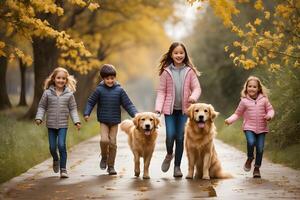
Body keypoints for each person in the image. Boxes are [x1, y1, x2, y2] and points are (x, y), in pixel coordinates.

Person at [155, 42, 201, 177]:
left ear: (185, 54)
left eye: (181, 53)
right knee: (170, 136)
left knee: (180, 138)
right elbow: (161, 92)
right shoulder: (166, 72)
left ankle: (177, 167)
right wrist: (158, 109)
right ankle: (169, 154)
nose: (179, 55)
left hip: (184, 110)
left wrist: (193, 97)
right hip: (169, 111)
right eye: (176, 53)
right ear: (171, 54)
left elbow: (197, 88)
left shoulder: (189, 71)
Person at [84, 64, 138, 175]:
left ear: (115, 78)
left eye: (112, 78)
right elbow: (90, 102)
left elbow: (128, 104)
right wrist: (86, 113)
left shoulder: (120, 90)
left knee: (112, 143)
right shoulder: (99, 90)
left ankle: (111, 166)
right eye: (107, 79)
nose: (110, 80)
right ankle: (104, 156)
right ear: (103, 79)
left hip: (114, 121)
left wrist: (135, 115)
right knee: (104, 140)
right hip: (103, 120)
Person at [225, 76, 275, 178]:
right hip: (249, 127)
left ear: (259, 88)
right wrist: (229, 120)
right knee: (251, 142)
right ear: (246, 87)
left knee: (260, 149)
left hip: (262, 128)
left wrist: (269, 116)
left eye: (254, 87)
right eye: (249, 86)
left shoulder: (264, 100)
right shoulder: (244, 101)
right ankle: (250, 158)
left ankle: (256, 168)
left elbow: (271, 110)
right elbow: (237, 114)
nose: (251, 88)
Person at [35, 67, 81, 178]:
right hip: (50, 124)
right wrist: (39, 117)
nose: (61, 80)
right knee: (52, 147)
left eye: (63, 78)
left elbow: (73, 109)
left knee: (61, 145)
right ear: (54, 79)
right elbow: (42, 106)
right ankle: (56, 159)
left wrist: (77, 121)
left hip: (63, 125)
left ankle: (63, 169)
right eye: (58, 78)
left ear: (66, 80)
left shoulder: (69, 94)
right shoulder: (47, 93)